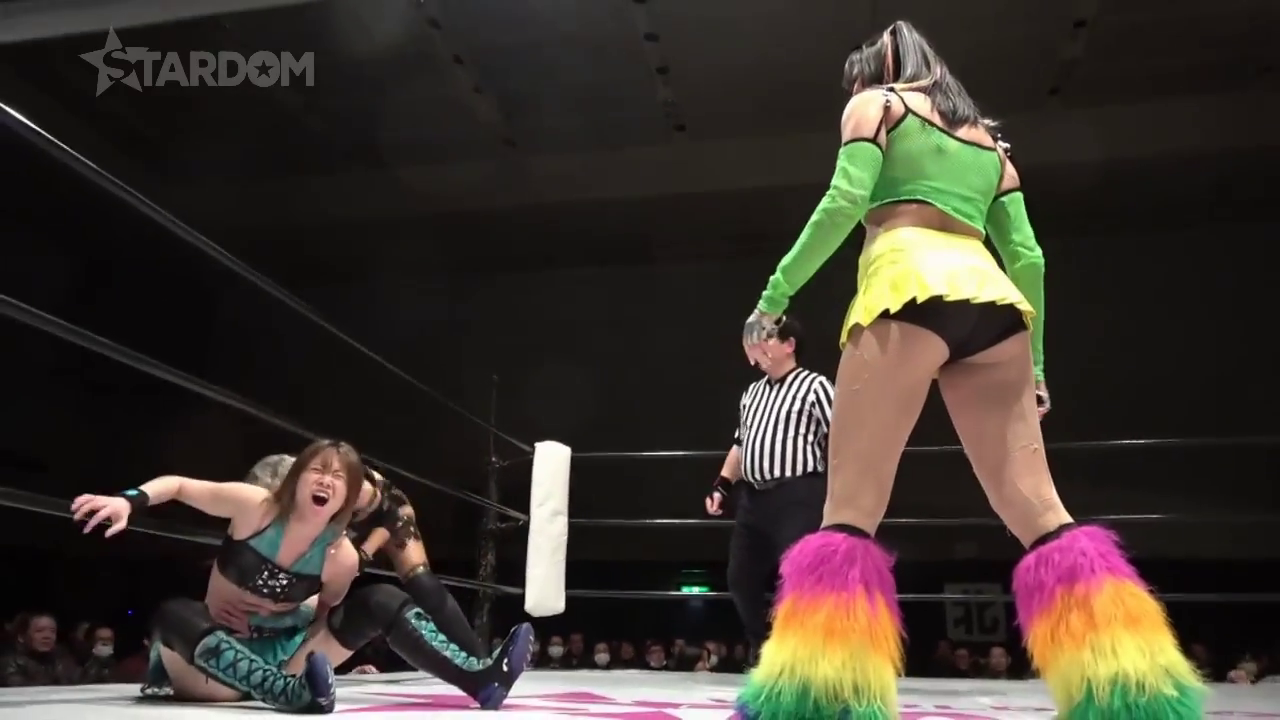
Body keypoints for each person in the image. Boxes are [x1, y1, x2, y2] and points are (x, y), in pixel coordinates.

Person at [734, 21, 1202, 719]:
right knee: (1041, 512)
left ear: (876, 70)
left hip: (905, 287)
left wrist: (772, 299)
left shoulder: (876, 105)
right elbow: (1029, 258)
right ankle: (1132, 696)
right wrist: (1036, 365)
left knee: (850, 510)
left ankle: (816, 705)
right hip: (995, 308)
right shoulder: (991, 147)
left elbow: (844, 203)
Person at [244, 453, 535, 708]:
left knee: (403, 589)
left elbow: (388, 518)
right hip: (268, 663)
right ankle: (481, 671)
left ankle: (480, 670)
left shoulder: (341, 495)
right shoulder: (255, 545)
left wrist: (362, 555)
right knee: (361, 598)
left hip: (381, 520)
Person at [705, 316, 832, 666]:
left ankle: (800, 656)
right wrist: (722, 484)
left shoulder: (816, 386)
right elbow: (741, 443)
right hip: (753, 499)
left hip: (799, 494)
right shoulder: (752, 393)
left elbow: (842, 437)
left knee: (798, 579)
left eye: (768, 337)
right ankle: (763, 647)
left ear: (789, 345)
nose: (758, 344)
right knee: (740, 577)